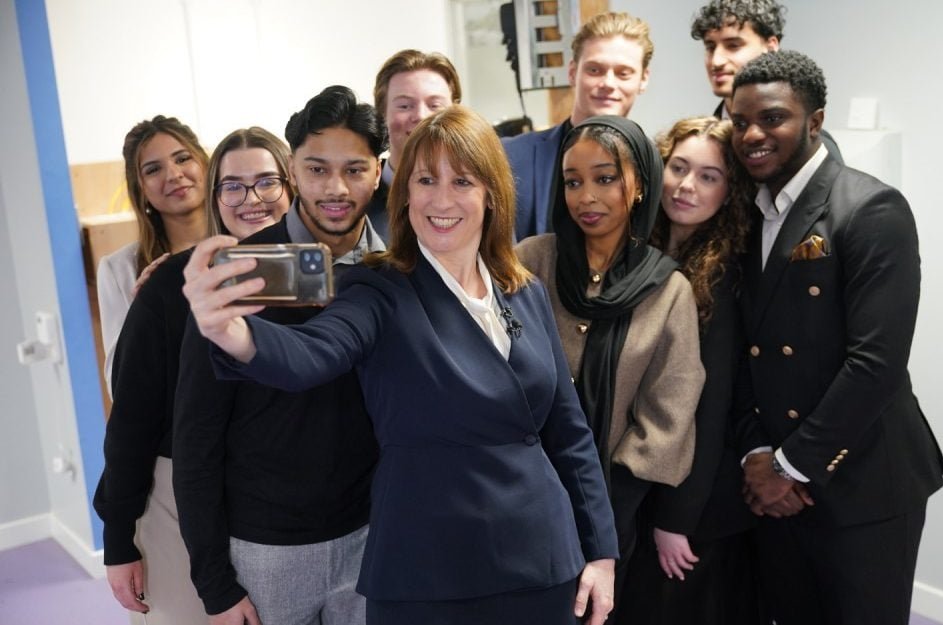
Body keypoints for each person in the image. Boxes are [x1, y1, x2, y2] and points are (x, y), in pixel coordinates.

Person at [181, 105, 618, 625]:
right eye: (425, 180)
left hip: (542, 559)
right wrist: (233, 333)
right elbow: (312, 354)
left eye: (462, 181)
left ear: (491, 195)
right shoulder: (379, 287)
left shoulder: (523, 290)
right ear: (404, 192)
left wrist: (601, 550)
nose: (441, 199)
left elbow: (569, 434)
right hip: (427, 571)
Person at [729, 50, 943, 625]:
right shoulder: (747, 213)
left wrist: (789, 468)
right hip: (775, 484)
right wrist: (757, 455)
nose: (753, 134)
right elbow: (743, 348)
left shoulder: (871, 208)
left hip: (861, 483)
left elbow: (875, 364)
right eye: (740, 121)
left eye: (773, 118)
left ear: (815, 121)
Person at [173, 86, 384, 625]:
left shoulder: (397, 269)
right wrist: (214, 584)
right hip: (266, 549)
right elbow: (195, 438)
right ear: (293, 170)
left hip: (372, 538)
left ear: (378, 172)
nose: (335, 188)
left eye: (354, 169)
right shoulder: (236, 273)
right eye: (316, 169)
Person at [92, 127, 292, 624]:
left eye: (267, 182)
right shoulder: (165, 284)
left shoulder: (318, 278)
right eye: (233, 186)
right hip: (176, 490)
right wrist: (118, 539)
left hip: (272, 504)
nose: (252, 199)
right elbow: (131, 418)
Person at [515, 115, 703, 623]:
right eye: (573, 181)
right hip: (518, 496)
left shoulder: (668, 289)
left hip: (614, 511)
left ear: (639, 184)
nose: (586, 197)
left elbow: (668, 419)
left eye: (605, 178)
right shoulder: (531, 261)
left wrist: (602, 520)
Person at [615, 116, 763, 625]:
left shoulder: (724, 277)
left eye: (708, 176)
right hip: (643, 485)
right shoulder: (636, 251)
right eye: (678, 167)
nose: (685, 186)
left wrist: (675, 520)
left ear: (730, 191)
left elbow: (710, 405)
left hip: (697, 505)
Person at [504, 11, 652, 240]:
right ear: (573, 73)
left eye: (623, 73)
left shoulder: (653, 168)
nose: (608, 84)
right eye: (595, 70)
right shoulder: (510, 156)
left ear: (643, 79)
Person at [96, 115, 209, 391]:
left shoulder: (242, 243)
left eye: (182, 159)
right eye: (153, 169)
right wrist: (143, 314)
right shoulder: (118, 269)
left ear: (205, 165)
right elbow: (117, 384)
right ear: (141, 190)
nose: (173, 174)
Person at [690, 0, 842, 162]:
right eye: (710, 47)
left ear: (770, 47)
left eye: (733, 45)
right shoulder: (703, 140)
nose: (716, 61)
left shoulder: (813, 146)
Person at [367, 49, 462, 240]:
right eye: (404, 106)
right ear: (381, 114)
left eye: (435, 105)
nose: (421, 117)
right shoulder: (357, 203)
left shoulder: (478, 199)